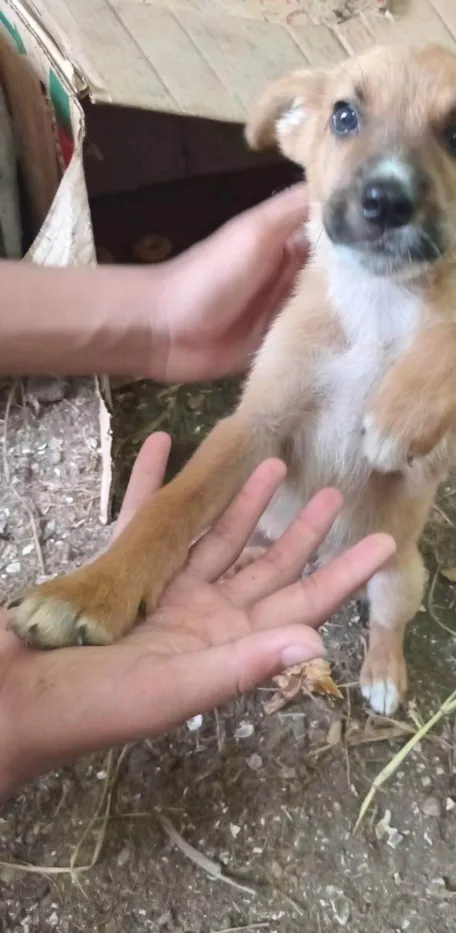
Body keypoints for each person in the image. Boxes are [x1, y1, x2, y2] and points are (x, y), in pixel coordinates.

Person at [0, 186, 396, 799]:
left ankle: (387, 637)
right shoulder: (317, 301)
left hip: (376, 519)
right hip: (309, 497)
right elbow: (253, 431)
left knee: (393, 577)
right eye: (346, 117)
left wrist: (164, 312)